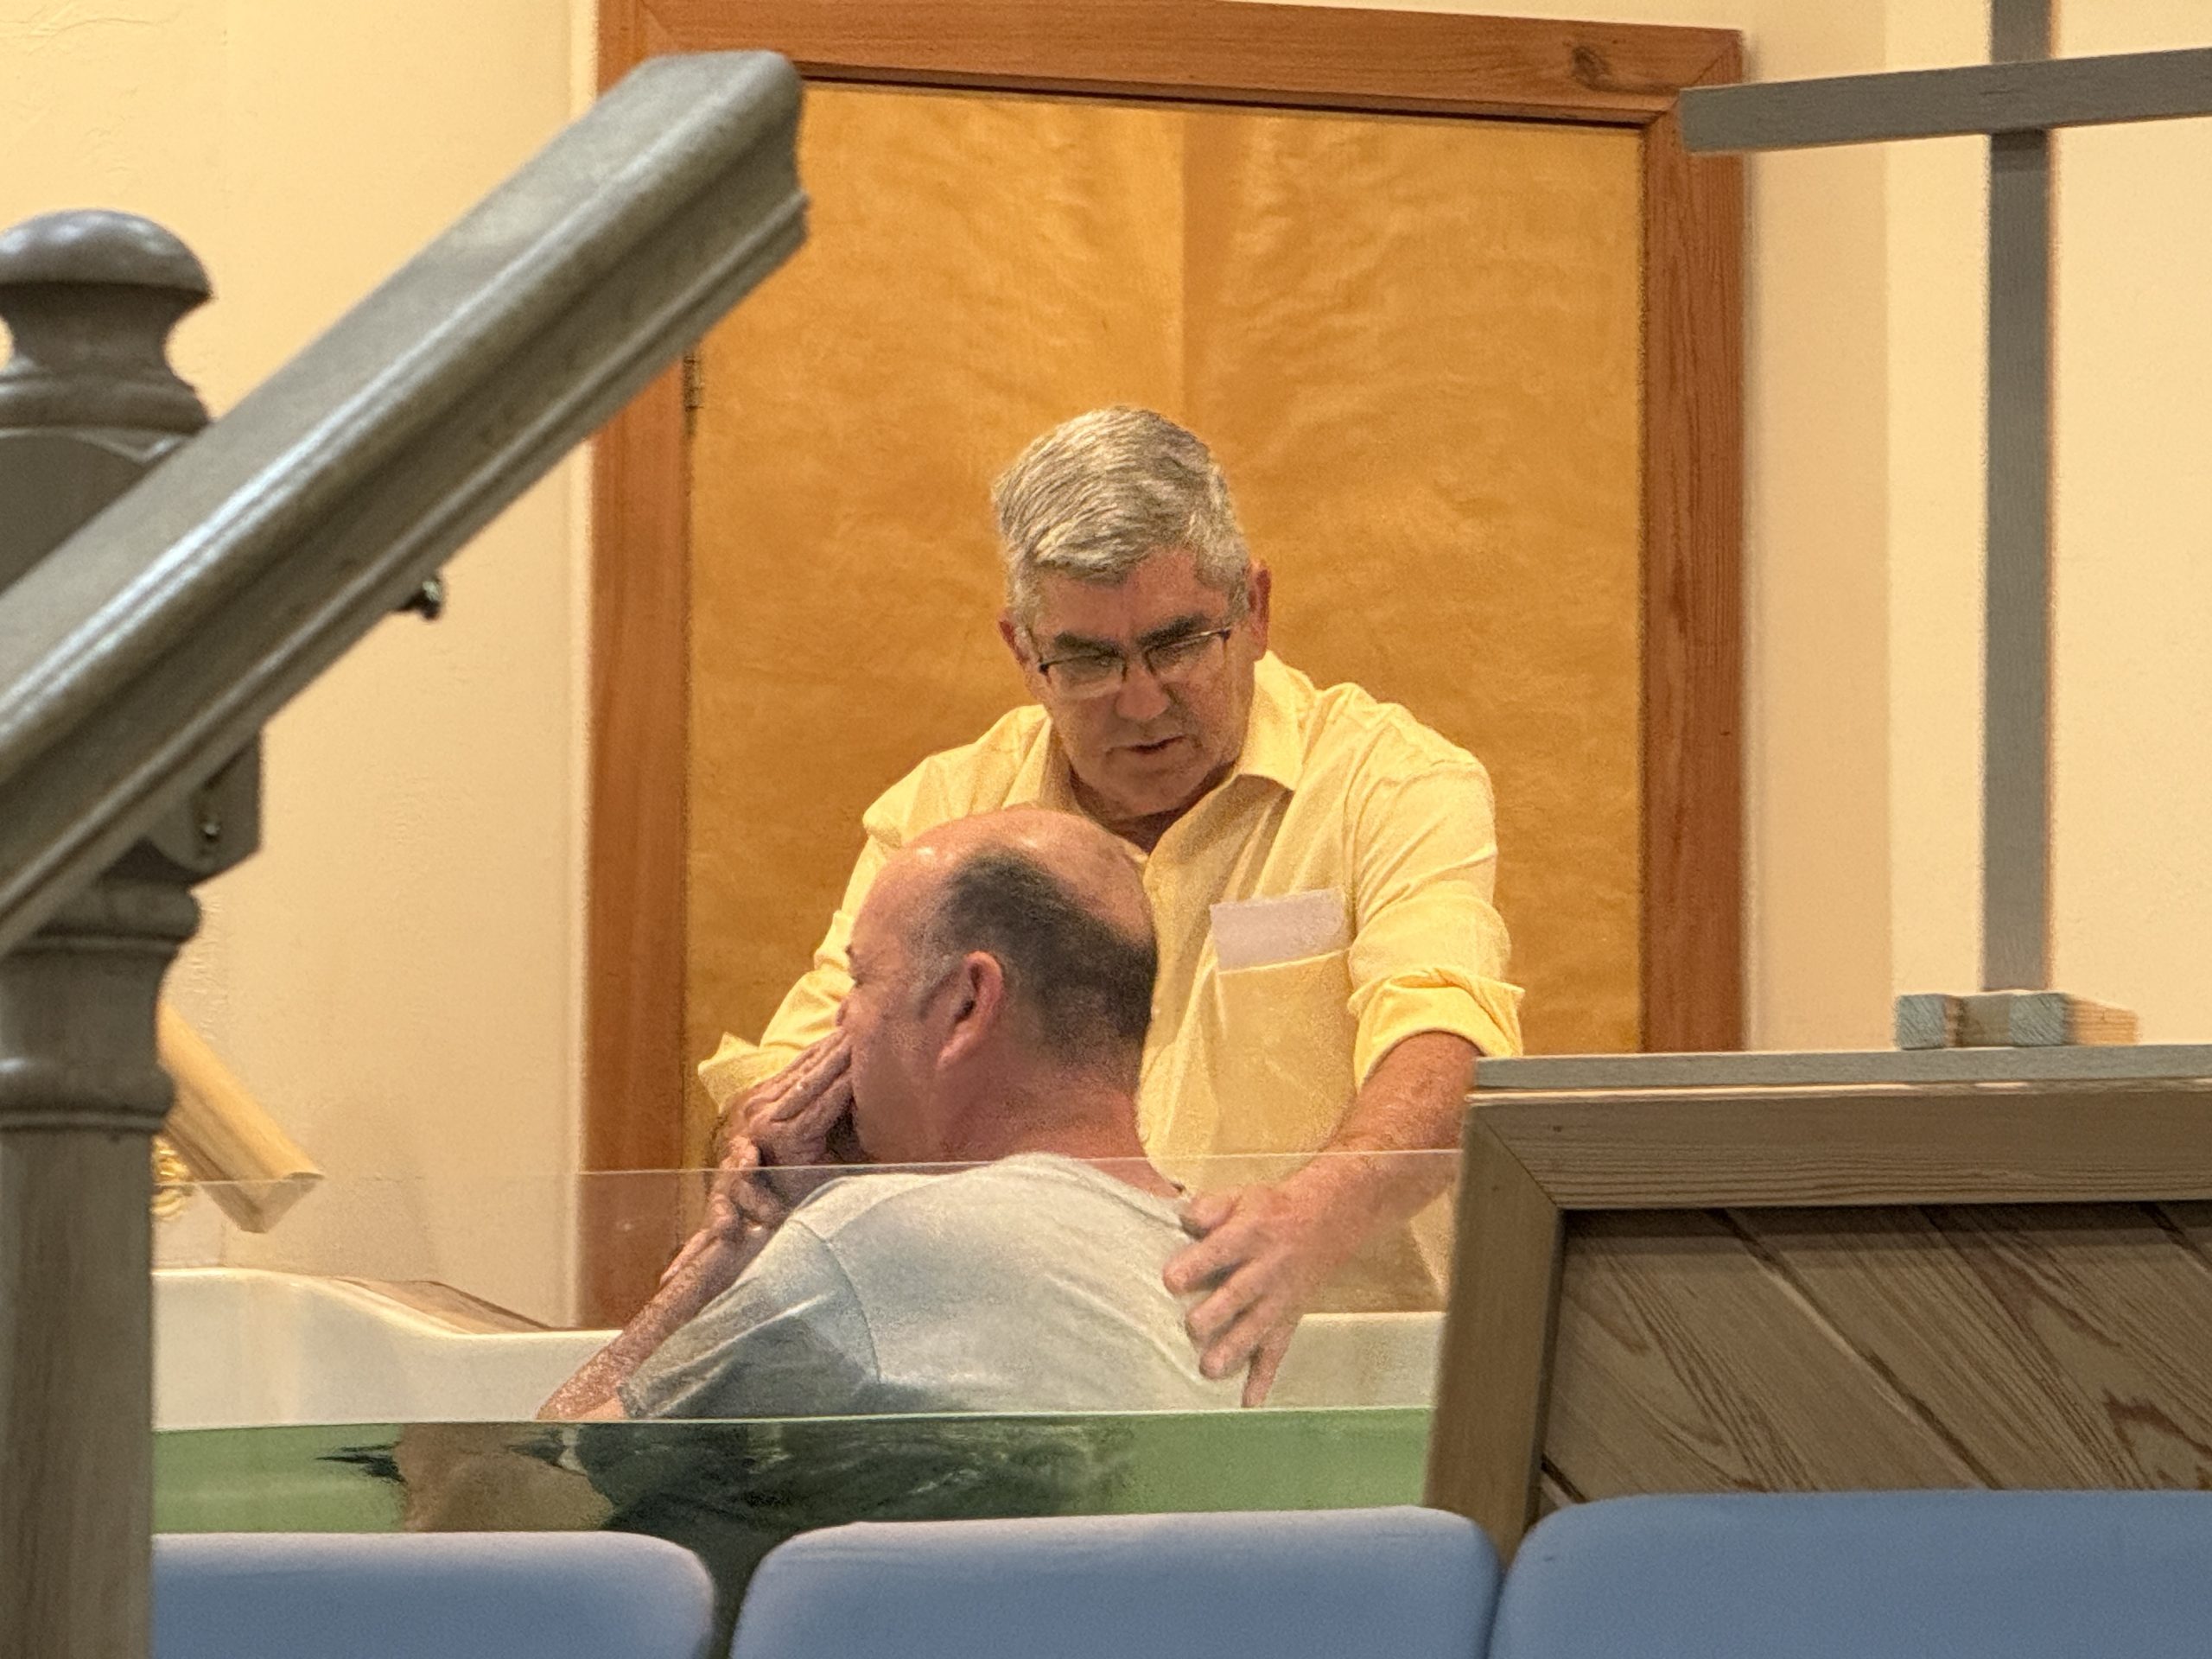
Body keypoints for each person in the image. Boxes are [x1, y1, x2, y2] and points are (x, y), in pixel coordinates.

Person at [701, 407, 1524, 1404]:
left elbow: (1445, 1042)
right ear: (1022, 651)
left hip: (1336, 1377)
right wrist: (764, 1144)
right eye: (1088, 661)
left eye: (1178, 643)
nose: (1139, 701)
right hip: (1029, 1385)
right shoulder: (944, 817)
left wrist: (1314, 1214)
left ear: (1256, 610)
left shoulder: (1388, 784)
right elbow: (799, 1075)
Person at [543, 809, 1243, 1420]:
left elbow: (546, 1483)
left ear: (967, 1005)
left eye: (861, 979)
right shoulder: (1231, 1276)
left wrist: (733, 1254)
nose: (839, 1026)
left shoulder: (877, 1243)